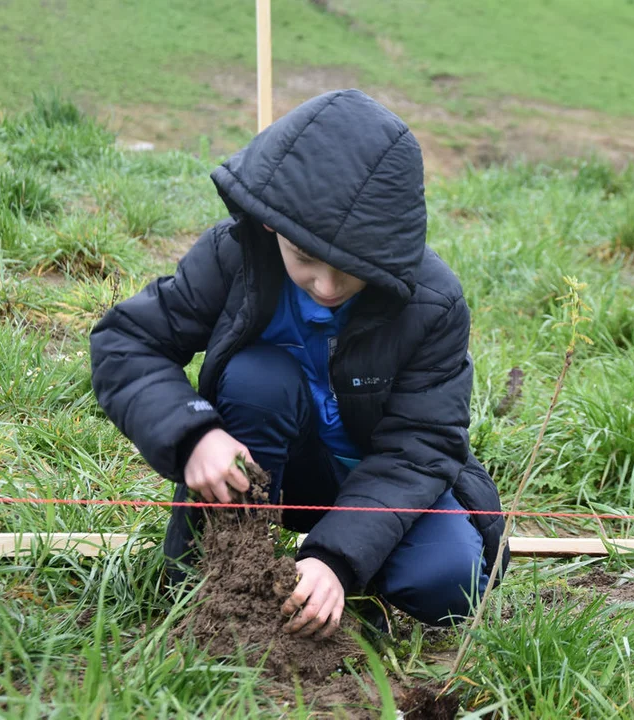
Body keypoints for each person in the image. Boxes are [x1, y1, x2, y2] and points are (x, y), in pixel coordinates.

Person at [89, 89, 507, 639]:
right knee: (258, 376)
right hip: (270, 463)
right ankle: (225, 577)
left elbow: (421, 445)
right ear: (271, 226)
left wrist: (336, 558)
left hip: (377, 479)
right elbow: (126, 341)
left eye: (353, 270)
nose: (327, 287)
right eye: (306, 259)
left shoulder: (432, 302)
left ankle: (334, 579)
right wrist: (191, 435)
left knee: (451, 579)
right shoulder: (233, 255)